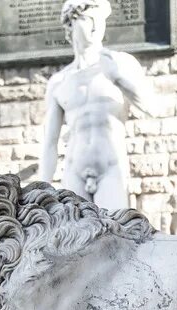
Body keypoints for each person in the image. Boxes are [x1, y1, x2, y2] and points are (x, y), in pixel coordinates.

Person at [39, 0, 156, 208]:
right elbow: (50, 143)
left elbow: (152, 107)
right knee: (76, 238)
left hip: (111, 168)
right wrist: (41, 190)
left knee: (114, 234)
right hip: (74, 170)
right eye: (88, 19)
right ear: (71, 23)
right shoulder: (59, 81)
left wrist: (119, 77)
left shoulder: (120, 63)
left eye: (100, 20)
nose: (95, 26)